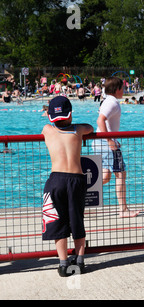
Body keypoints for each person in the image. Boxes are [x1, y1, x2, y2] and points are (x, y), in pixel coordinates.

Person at [41, 96, 94, 277]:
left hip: (56, 180)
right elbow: (91, 127)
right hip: (77, 180)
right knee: (77, 220)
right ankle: (79, 262)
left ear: (50, 117)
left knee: (58, 222)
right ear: (70, 115)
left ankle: (63, 264)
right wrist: (74, 124)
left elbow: (51, 123)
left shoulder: (47, 129)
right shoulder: (78, 130)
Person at [94, 77, 140, 218]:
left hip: (101, 142)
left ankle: (83, 189)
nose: (124, 90)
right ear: (117, 89)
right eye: (123, 88)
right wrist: (109, 140)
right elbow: (100, 120)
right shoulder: (112, 102)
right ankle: (123, 210)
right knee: (120, 174)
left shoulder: (108, 101)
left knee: (106, 176)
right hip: (106, 143)